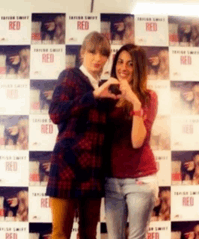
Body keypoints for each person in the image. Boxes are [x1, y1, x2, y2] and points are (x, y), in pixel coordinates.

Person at [46, 31, 119, 239]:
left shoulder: (104, 87)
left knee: (88, 234)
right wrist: (92, 96)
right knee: (60, 234)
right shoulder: (69, 75)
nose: (98, 58)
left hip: (94, 171)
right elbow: (56, 112)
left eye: (103, 54)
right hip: (66, 167)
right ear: (82, 53)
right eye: (92, 52)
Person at [104, 44, 158, 239]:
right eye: (120, 62)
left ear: (139, 68)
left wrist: (135, 102)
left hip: (140, 180)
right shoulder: (108, 95)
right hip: (111, 181)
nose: (123, 68)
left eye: (130, 63)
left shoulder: (147, 97)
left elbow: (137, 141)